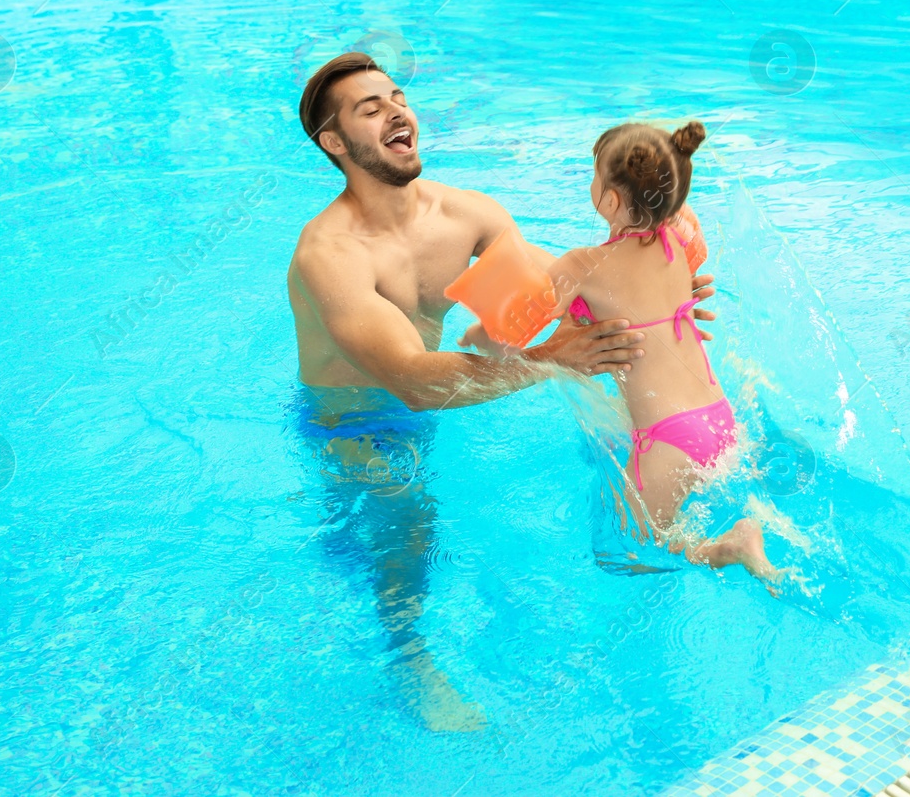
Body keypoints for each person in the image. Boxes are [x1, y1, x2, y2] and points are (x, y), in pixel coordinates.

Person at [285, 52, 715, 731]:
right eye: (371, 109)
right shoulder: (329, 255)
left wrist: (660, 306)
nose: (398, 110)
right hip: (361, 420)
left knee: (609, 422)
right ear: (334, 143)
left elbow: (544, 296)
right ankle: (409, 657)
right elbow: (411, 384)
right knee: (405, 512)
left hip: (442, 383)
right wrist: (550, 360)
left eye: (398, 97)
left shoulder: (468, 214)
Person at [496, 121, 777, 584]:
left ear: (608, 200)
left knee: (627, 555)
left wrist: (480, 338)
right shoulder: (682, 233)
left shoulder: (583, 266)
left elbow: (515, 329)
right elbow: (679, 230)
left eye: (595, 176)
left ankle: (729, 547)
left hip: (668, 443)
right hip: (720, 419)